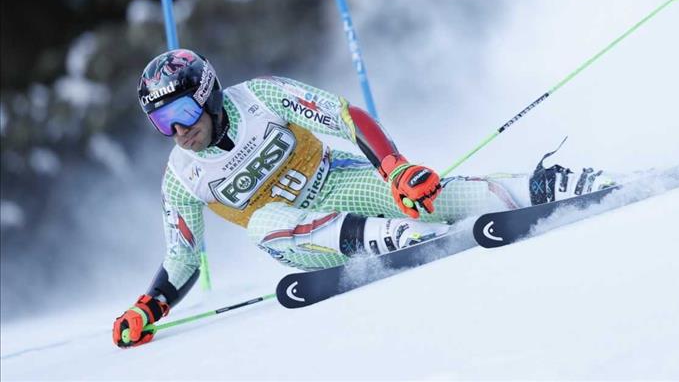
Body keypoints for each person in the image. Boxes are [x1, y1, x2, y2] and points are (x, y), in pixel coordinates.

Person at [113, 49, 613, 348]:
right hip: (294, 234)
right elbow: (182, 257)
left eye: (180, 111)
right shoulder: (182, 176)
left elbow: (343, 116)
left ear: (207, 93)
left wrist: (395, 168)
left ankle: (545, 186)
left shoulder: (259, 98)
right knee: (264, 221)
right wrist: (149, 308)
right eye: (160, 122)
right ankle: (386, 238)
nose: (177, 130)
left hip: (336, 180)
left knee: (427, 199)